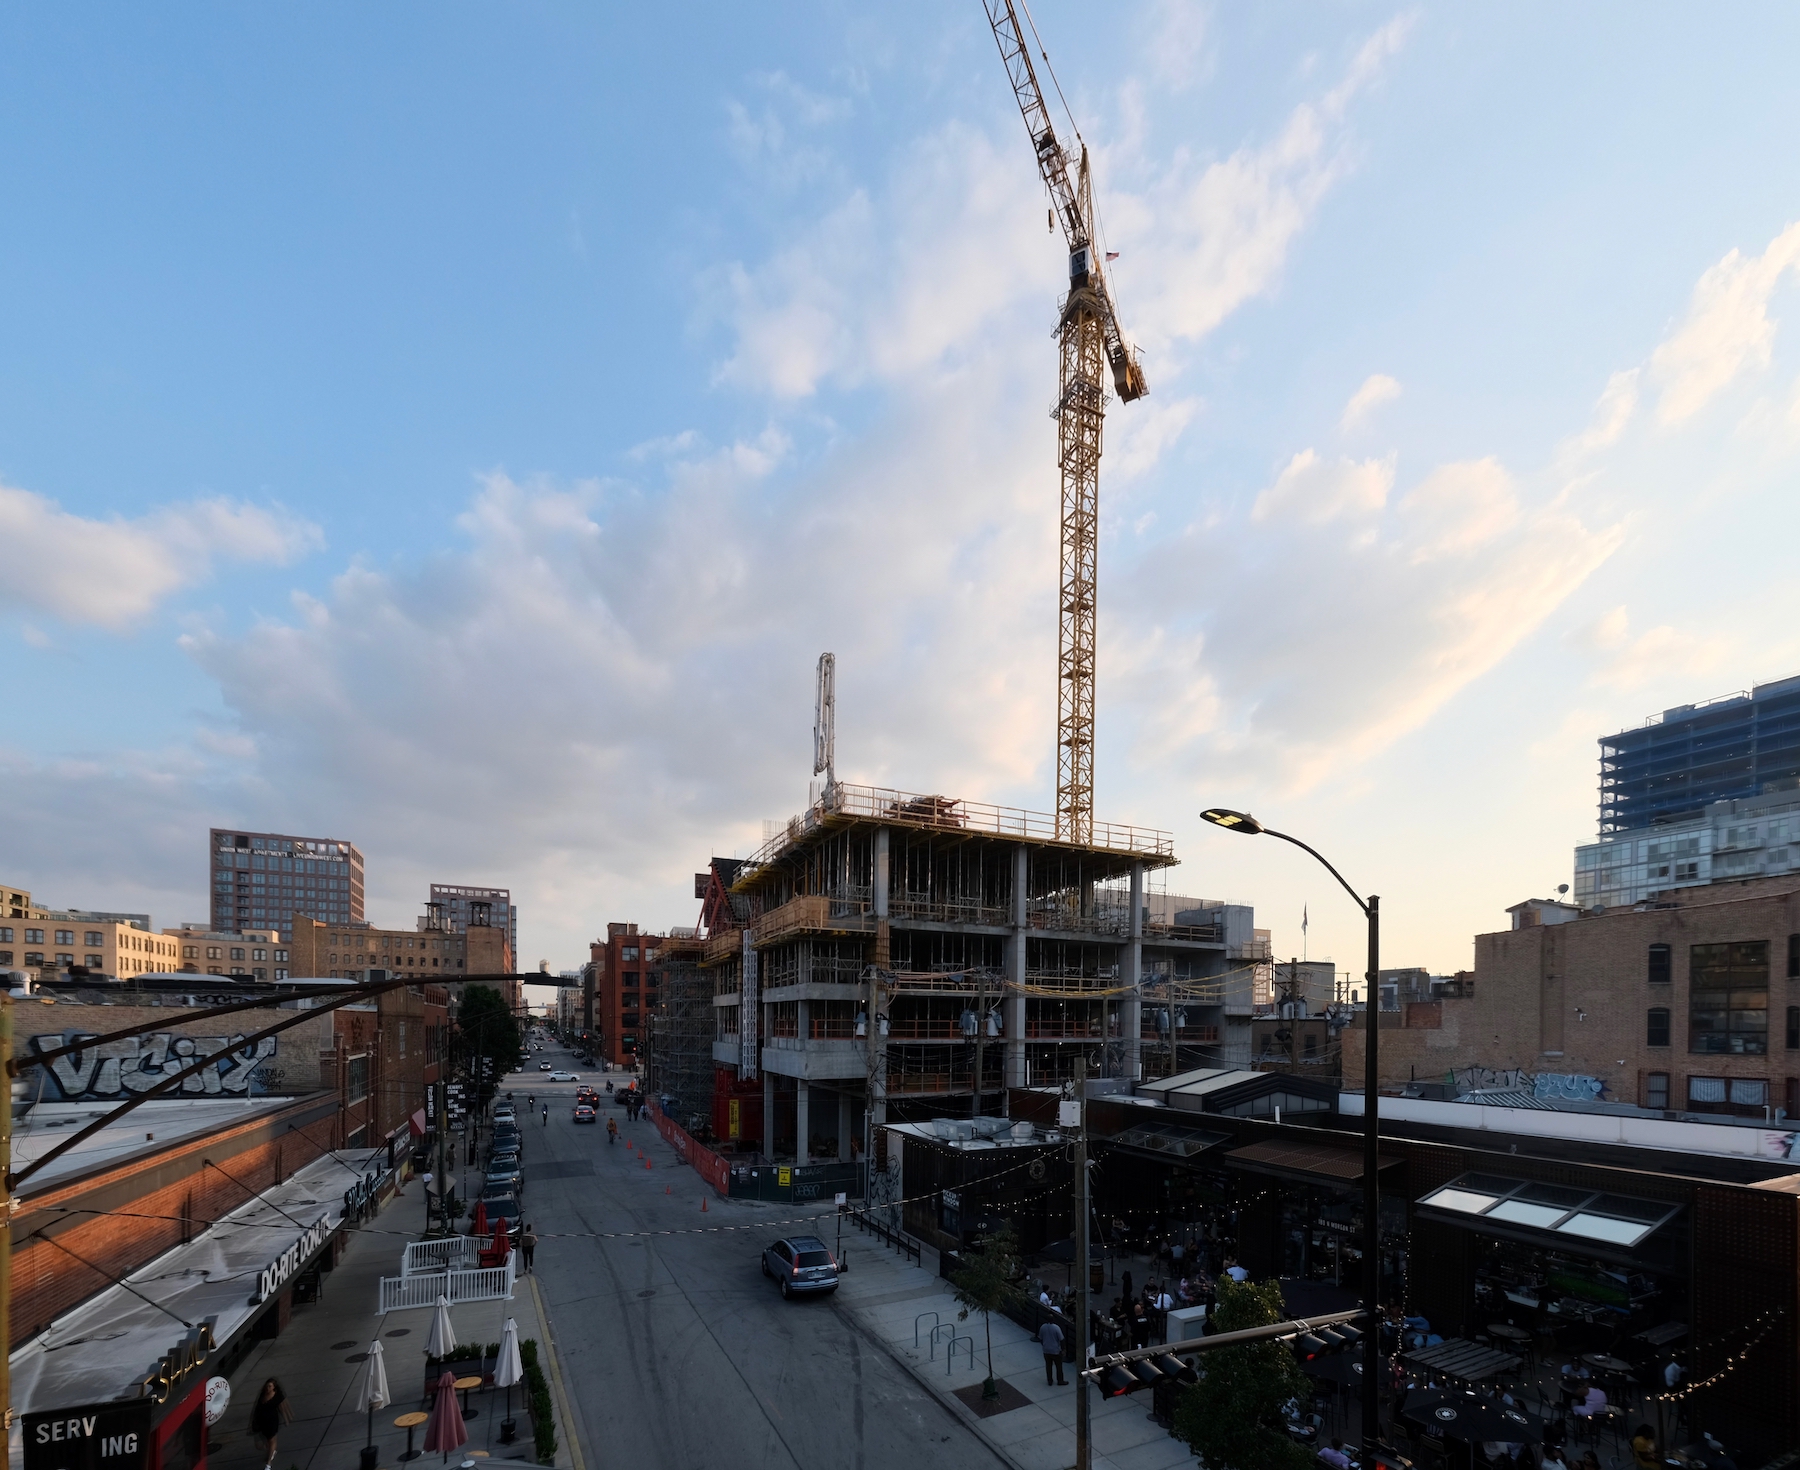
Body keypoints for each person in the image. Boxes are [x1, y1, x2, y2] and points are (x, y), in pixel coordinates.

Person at [249, 1378, 291, 1470]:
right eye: (267, 1386)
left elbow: (283, 1407)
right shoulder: (262, 1395)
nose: (268, 1388)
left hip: (272, 1422)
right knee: (262, 1444)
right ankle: (271, 1452)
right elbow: (257, 1408)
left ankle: (268, 1464)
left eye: (270, 1386)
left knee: (272, 1440)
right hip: (262, 1422)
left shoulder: (276, 1396)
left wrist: (286, 1419)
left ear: (274, 1387)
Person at [1038, 1318, 1066, 1386]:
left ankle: (1049, 1381)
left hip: (1046, 1350)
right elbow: (1061, 1339)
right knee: (1059, 1366)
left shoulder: (1042, 1327)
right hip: (1055, 1350)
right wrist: (1063, 1349)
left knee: (1048, 1366)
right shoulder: (1056, 1328)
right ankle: (1060, 1380)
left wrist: (1044, 1345)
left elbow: (1040, 1338)